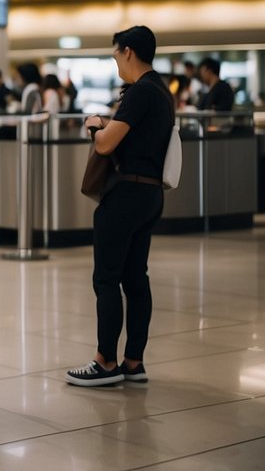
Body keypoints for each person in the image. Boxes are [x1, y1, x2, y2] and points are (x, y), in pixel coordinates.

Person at [66, 25, 172, 387]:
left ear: (128, 51)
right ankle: (133, 361)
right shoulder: (161, 90)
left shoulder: (140, 92)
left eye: (115, 54)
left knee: (107, 277)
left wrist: (96, 125)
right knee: (135, 278)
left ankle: (105, 362)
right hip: (150, 194)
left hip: (125, 196)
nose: (115, 62)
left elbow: (106, 145)